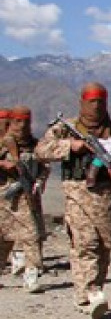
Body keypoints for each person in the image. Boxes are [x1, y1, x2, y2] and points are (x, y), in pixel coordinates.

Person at [36, 83, 111, 319]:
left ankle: (95, 289)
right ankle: (87, 295)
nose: (96, 107)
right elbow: (41, 151)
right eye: (92, 102)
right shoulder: (67, 128)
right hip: (78, 194)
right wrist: (69, 146)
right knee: (85, 244)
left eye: (101, 102)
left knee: (104, 245)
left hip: (107, 197)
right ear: (82, 102)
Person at [0, 106, 50, 292]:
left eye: (26, 122)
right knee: (4, 239)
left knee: (32, 236)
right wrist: (4, 164)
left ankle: (31, 274)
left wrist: (40, 181)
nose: (22, 126)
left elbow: (45, 166)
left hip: (28, 197)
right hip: (5, 198)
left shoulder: (36, 145)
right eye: (18, 121)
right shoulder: (4, 143)